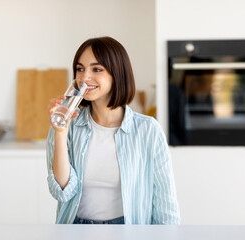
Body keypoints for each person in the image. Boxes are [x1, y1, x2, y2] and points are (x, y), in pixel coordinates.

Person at [46, 36, 180, 224]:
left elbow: (166, 204)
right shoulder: (67, 125)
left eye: (97, 69)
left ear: (117, 73)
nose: (84, 77)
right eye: (80, 68)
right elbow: (62, 192)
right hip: (76, 228)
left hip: (129, 230)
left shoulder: (147, 130)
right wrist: (60, 133)